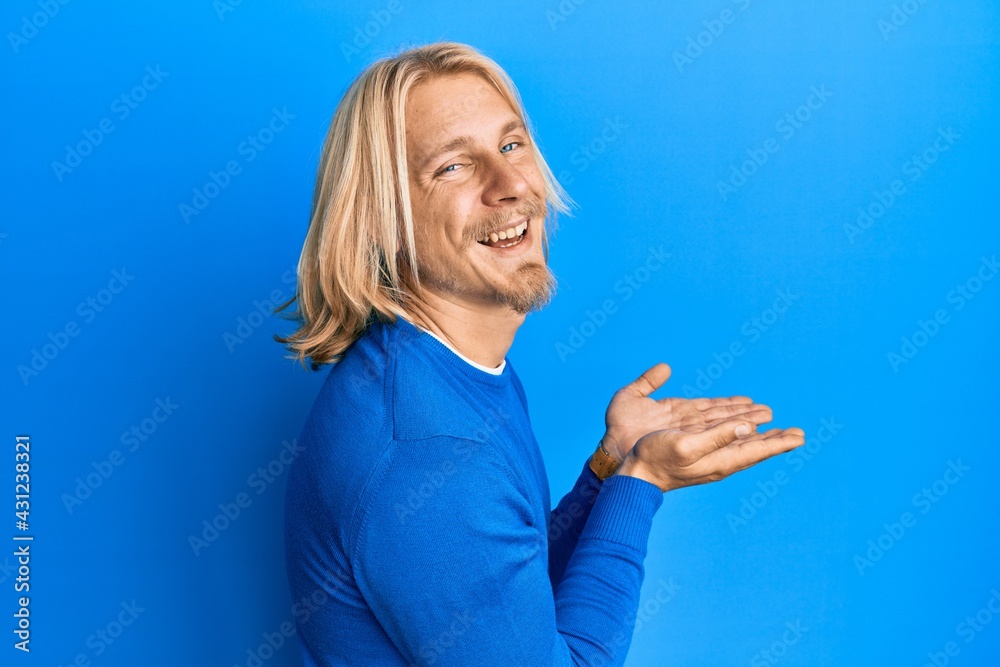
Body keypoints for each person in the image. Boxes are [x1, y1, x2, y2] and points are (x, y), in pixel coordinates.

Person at [277, 41, 804, 667]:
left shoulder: (444, 368)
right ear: (381, 221)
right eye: (453, 166)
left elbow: (512, 609)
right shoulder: (427, 449)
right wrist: (643, 482)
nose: (510, 186)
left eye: (511, 144)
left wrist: (609, 468)